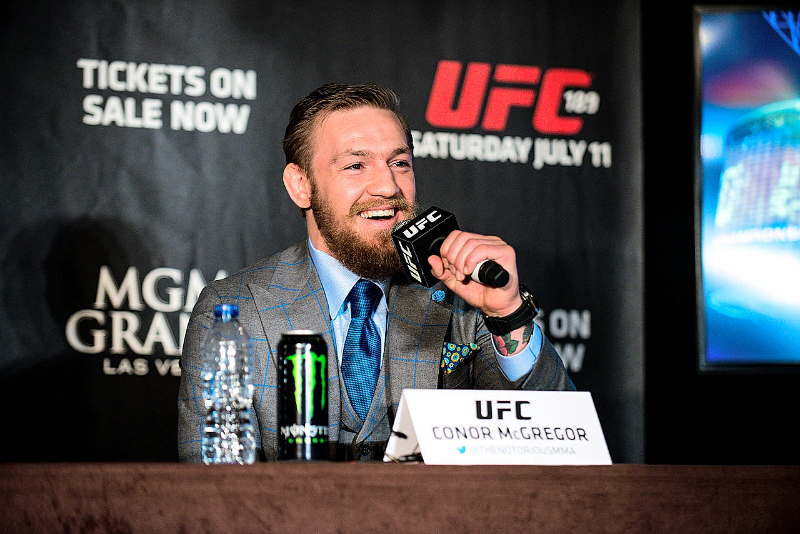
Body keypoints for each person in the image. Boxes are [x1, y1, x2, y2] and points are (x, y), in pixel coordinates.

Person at [178, 82, 574, 462]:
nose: (387, 186)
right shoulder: (234, 310)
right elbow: (214, 487)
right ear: (301, 185)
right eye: (355, 165)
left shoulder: (465, 294)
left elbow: (561, 448)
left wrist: (507, 314)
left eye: (399, 163)